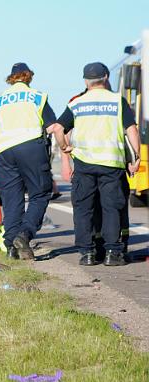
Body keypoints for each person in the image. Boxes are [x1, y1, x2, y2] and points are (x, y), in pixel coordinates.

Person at [53, 62, 141, 266]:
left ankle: (88, 254)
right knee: (111, 208)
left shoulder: (77, 103)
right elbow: (132, 130)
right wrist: (135, 158)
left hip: (84, 164)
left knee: (84, 209)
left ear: (86, 81)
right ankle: (112, 253)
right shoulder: (117, 101)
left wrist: (65, 146)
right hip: (112, 164)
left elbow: (58, 128)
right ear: (106, 77)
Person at [0, 62, 59, 259]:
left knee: (12, 199)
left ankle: (12, 247)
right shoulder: (38, 96)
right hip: (30, 148)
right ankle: (24, 234)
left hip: (4, 151)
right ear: (28, 76)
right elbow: (52, 126)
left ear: (11, 78)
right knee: (40, 193)